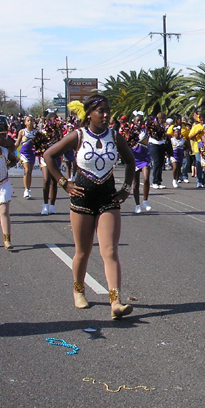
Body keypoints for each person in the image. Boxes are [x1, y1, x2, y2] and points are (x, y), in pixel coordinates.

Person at [45, 96, 136, 319]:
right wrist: (64, 183)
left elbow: (131, 162)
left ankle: (116, 301)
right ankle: (79, 291)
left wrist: (125, 189)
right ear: (89, 114)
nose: (106, 115)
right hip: (82, 199)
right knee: (83, 252)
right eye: (100, 111)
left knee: (110, 251)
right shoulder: (78, 136)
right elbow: (49, 155)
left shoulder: (115, 137)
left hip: (108, 198)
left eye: (108, 110)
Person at [120, 111, 152, 213]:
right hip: (134, 158)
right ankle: (137, 204)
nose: (139, 122)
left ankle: (145, 201)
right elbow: (125, 143)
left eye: (141, 120)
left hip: (145, 157)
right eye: (138, 120)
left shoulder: (146, 130)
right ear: (133, 121)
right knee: (136, 183)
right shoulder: (129, 131)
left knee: (146, 179)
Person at [15, 115, 37, 198]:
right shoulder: (22, 132)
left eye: (31, 120)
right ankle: (26, 190)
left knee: (30, 172)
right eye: (28, 120)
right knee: (27, 170)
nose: (30, 122)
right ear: (25, 123)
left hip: (32, 154)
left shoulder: (36, 132)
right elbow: (17, 143)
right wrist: (10, 151)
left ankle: (28, 188)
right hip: (24, 153)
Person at [147, 111, 168, 189]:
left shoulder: (162, 126)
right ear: (161, 118)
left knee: (161, 163)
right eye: (164, 119)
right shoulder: (153, 125)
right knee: (156, 162)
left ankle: (158, 181)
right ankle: (154, 181)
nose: (165, 120)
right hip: (154, 145)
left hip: (161, 144)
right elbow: (154, 135)